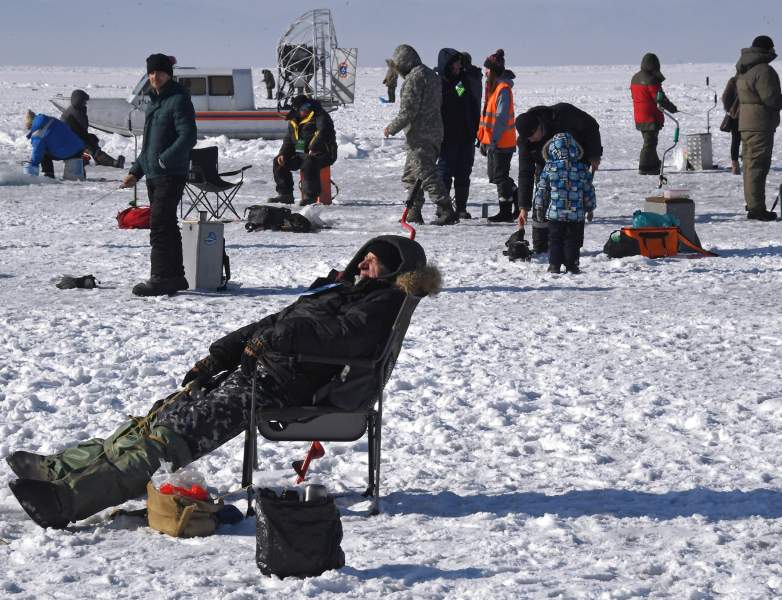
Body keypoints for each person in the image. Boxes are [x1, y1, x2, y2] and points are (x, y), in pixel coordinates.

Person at [6, 236, 441, 530]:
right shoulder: (341, 291)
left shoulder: (381, 303)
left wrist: (275, 339)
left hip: (282, 389)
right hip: (260, 373)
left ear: (394, 269)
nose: (363, 262)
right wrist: (218, 357)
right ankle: (63, 469)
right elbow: (271, 323)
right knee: (161, 417)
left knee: (171, 438)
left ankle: (67, 500)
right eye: (364, 255)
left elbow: (337, 337)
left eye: (374, 259)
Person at [121, 53, 197, 296]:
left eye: (160, 72)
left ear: (169, 74)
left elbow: (188, 136)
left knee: (159, 225)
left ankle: (161, 277)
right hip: (155, 175)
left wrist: (165, 160)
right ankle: (176, 277)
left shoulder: (178, 100)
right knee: (167, 224)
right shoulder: (154, 102)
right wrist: (136, 171)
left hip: (171, 173)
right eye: (152, 73)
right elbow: (149, 146)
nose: (155, 77)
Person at [736, 35, 782, 221]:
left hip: (746, 124)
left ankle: (753, 205)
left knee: (750, 166)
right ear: (767, 50)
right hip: (760, 125)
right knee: (758, 167)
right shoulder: (764, 70)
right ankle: (756, 209)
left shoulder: (744, 68)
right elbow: (771, 98)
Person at [383, 44, 457, 226]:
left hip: (420, 135)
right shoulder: (431, 75)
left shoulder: (414, 79)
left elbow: (408, 111)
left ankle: (446, 209)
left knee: (426, 173)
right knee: (411, 175)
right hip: (433, 132)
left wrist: (391, 128)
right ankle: (413, 211)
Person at [513, 104, 603, 253]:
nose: (531, 140)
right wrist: (523, 208)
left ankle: (572, 245)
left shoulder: (563, 116)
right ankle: (541, 245)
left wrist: (594, 154)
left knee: (573, 203)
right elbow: (525, 173)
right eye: (528, 138)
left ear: (539, 126)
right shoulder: (526, 141)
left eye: (532, 135)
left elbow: (591, 126)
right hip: (546, 165)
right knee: (542, 201)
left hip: (576, 163)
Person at [533, 133, 596, 274]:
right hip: (576, 214)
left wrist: (539, 208)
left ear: (552, 150)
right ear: (575, 148)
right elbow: (588, 190)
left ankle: (554, 265)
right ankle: (572, 264)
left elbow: (542, 190)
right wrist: (590, 207)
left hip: (555, 213)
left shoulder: (549, 168)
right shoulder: (581, 168)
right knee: (572, 240)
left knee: (555, 239)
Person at [268, 95, 337, 205]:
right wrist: (283, 153)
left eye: (307, 107)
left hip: (324, 152)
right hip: (301, 151)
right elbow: (289, 140)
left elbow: (323, 132)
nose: (305, 110)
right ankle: (285, 194)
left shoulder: (320, 115)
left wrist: (313, 147)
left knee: (309, 162)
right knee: (278, 161)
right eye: (302, 108)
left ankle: (310, 196)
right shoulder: (294, 120)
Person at [435, 48, 479, 219]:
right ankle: (444, 209)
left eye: (460, 63)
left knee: (463, 173)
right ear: (448, 64)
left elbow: (467, 103)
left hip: (465, 136)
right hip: (447, 138)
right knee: (444, 173)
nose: (459, 66)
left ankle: (461, 208)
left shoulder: (460, 82)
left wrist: (475, 129)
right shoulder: (438, 84)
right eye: (456, 63)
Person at [478, 49, 518, 222]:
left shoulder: (503, 89)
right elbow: (487, 118)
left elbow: (501, 118)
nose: (485, 72)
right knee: (496, 176)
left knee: (500, 177)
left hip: (502, 142)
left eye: (487, 69)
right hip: (493, 141)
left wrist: (492, 140)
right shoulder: (493, 89)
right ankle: (517, 196)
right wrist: (483, 140)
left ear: (493, 70)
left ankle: (506, 211)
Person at [630, 53, 677, 175]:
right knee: (649, 143)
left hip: (639, 116)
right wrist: (672, 108)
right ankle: (644, 167)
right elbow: (659, 98)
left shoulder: (635, 78)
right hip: (650, 116)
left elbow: (635, 96)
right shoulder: (651, 80)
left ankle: (654, 164)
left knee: (650, 141)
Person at [60, 90, 126, 169]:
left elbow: (80, 131)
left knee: (91, 141)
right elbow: (80, 133)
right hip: (68, 143)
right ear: (79, 101)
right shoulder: (76, 113)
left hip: (70, 139)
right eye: (84, 101)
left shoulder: (74, 110)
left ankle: (93, 158)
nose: (85, 103)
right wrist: (90, 141)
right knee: (91, 145)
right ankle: (111, 162)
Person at [23, 110, 85, 178]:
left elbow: (37, 151)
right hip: (79, 148)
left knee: (43, 152)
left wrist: (32, 164)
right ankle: (80, 174)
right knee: (76, 175)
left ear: (30, 125)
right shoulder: (51, 120)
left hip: (66, 152)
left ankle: (48, 175)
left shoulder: (38, 133)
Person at [721, 75, 741, 174]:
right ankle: (743, 163)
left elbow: (725, 98)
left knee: (735, 140)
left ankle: (735, 165)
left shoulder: (734, 80)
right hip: (748, 116)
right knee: (748, 140)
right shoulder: (752, 80)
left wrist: (730, 110)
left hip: (736, 116)